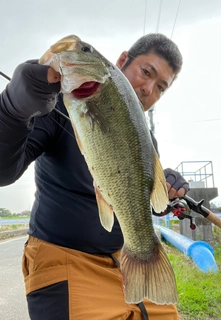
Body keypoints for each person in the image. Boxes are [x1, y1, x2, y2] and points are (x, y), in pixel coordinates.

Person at [0, 33, 189, 320]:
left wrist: (167, 184)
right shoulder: (55, 105)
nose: (149, 88)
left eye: (161, 87)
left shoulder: (146, 138)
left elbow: (148, 205)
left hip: (125, 260)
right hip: (65, 258)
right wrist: (11, 111)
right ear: (123, 61)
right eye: (146, 72)